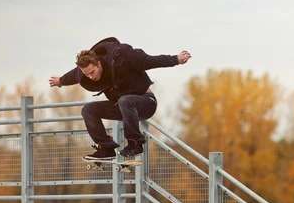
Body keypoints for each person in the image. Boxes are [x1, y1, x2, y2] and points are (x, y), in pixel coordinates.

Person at [49, 37, 191, 160]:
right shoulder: (84, 72)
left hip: (146, 102)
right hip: (123, 107)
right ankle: (106, 149)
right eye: (87, 75)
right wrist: (60, 81)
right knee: (89, 110)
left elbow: (150, 61)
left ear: (99, 63)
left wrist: (175, 59)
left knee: (125, 100)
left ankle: (135, 144)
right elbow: (73, 76)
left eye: (92, 72)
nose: (91, 77)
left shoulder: (121, 57)